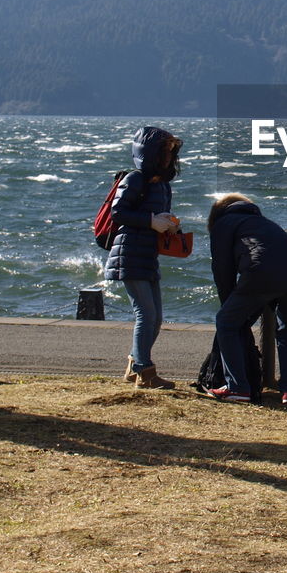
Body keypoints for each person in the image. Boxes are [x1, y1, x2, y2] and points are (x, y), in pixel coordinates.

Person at [205, 193, 287, 403]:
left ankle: (237, 388)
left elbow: (222, 270)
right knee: (286, 328)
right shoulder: (263, 222)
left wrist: (229, 305)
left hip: (262, 273)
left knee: (226, 323)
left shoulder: (223, 223)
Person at [105, 126, 183, 389]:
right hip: (129, 252)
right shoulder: (135, 179)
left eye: (172, 152)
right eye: (165, 151)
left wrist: (170, 225)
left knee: (156, 317)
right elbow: (118, 213)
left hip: (148, 255)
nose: (169, 157)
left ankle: (134, 365)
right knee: (146, 315)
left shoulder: (162, 185)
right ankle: (143, 371)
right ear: (151, 153)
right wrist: (151, 221)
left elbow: (156, 218)